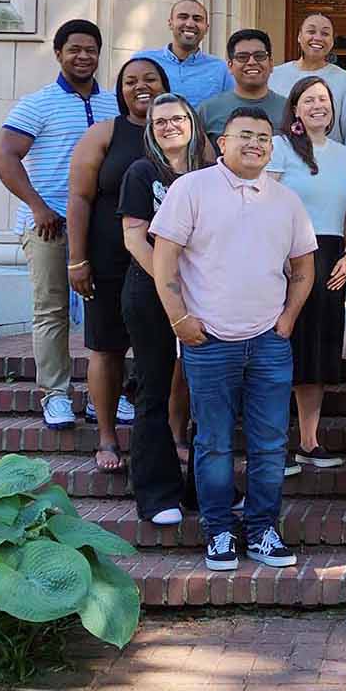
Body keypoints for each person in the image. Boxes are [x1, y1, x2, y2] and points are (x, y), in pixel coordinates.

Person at [150, 106, 317, 572]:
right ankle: (219, 531)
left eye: (265, 138)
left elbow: (305, 267)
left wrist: (287, 320)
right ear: (221, 142)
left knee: (268, 443)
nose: (256, 144)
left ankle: (263, 529)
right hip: (208, 342)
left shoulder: (285, 200)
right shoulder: (191, 190)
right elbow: (165, 260)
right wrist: (179, 319)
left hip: (268, 341)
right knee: (214, 443)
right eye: (245, 135)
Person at [0, 19, 117, 431]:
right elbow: (4, 158)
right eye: (75, 49)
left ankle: (107, 396)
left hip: (100, 228)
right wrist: (38, 205)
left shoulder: (113, 104)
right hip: (48, 225)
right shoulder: (37, 103)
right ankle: (56, 395)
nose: (83, 57)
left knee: (111, 311)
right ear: (59, 53)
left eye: (91, 50)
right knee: (52, 310)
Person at [67, 57, 168, 470]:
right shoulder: (105, 134)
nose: (140, 86)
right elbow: (79, 198)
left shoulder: (183, 133)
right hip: (110, 258)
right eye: (130, 81)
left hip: (170, 264)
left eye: (150, 79)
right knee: (107, 347)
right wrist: (77, 260)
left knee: (171, 354)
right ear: (119, 90)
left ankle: (175, 435)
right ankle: (107, 438)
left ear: (165, 85)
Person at [120, 92, 210, 525]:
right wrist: (170, 284)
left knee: (205, 393)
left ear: (193, 124)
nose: (170, 126)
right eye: (160, 122)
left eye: (178, 118)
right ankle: (157, 496)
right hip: (150, 292)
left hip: (206, 292)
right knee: (154, 390)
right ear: (151, 132)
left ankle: (204, 491)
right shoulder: (141, 173)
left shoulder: (213, 176)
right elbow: (134, 239)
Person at [266, 76, 346, 474]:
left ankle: (310, 441)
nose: (318, 106)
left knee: (317, 352)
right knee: (282, 351)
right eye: (309, 100)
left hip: (330, 259)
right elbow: (265, 201)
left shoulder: (344, 156)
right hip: (286, 257)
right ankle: (276, 444)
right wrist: (278, 253)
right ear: (295, 108)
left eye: (323, 99)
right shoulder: (279, 147)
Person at [269, 13, 346, 159]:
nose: (318, 38)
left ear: (332, 41)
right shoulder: (274, 76)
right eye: (311, 31)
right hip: (280, 165)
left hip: (329, 167)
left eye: (325, 33)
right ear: (299, 37)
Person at [135, 0, 233, 105]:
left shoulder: (221, 69)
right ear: (170, 23)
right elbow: (117, 101)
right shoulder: (144, 61)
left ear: (206, 28)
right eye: (183, 17)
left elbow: (232, 108)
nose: (190, 24)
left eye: (197, 19)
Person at [197, 29, 289, 142]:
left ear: (270, 64)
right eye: (242, 57)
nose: (251, 62)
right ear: (230, 66)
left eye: (259, 56)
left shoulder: (289, 110)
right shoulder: (208, 111)